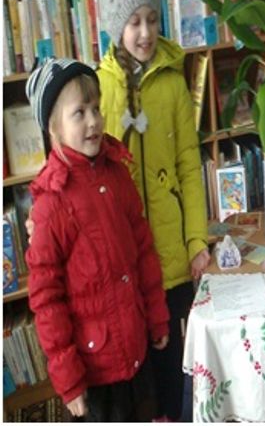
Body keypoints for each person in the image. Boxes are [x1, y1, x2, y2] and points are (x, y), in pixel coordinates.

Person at [24, 58, 170, 421]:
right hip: (96, 372)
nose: (93, 121)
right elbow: (47, 299)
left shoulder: (117, 174)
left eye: (95, 109)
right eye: (79, 113)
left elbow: (144, 253)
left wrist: (157, 318)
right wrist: (69, 380)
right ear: (54, 128)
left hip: (136, 348)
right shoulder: (50, 204)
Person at [97, 0, 210, 421]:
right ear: (115, 27)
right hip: (123, 262)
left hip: (172, 260)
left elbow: (189, 165)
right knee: (134, 372)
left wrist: (197, 241)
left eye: (152, 20)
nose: (145, 33)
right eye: (134, 23)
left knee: (174, 368)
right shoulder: (100, 88)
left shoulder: (173, 81)